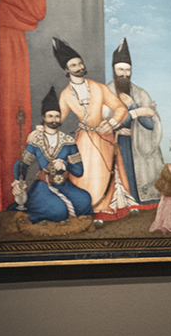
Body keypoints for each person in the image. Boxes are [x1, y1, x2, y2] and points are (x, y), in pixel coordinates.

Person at [52, 37, 134, 221]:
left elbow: (121, 108)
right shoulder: (65, 95)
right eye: (74, 65)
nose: (79, 67)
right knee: (85, 174)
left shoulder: (99, 88)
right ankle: (88, 209)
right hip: (83, 140)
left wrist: (111, 123)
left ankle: (107, 210)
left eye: (80, 63)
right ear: (66, 70)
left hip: (104, 136)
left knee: (105, 173)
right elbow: (58, 119)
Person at [11, 89, 93, 224]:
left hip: (65, 185)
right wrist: (18, 181)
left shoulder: (68, 141)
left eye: (57, 116)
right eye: (50, 116)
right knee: (58, 210)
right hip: (43, 185)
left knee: (85, 200)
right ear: (44, 117)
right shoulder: (36, 140)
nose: (54, 120)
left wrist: (65, 165)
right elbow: (22, 164)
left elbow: (79, 171)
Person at [110, 38, 164, 207]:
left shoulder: (141, 93)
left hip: (138, 142)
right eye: (121, 69)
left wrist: (134, 106)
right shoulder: (106, 92)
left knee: (138, 176)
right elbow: (107, 123)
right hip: (115, 142)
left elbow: (150, 124)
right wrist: (135, 113)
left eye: (128, 70)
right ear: (114, 69)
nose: (124, 74)